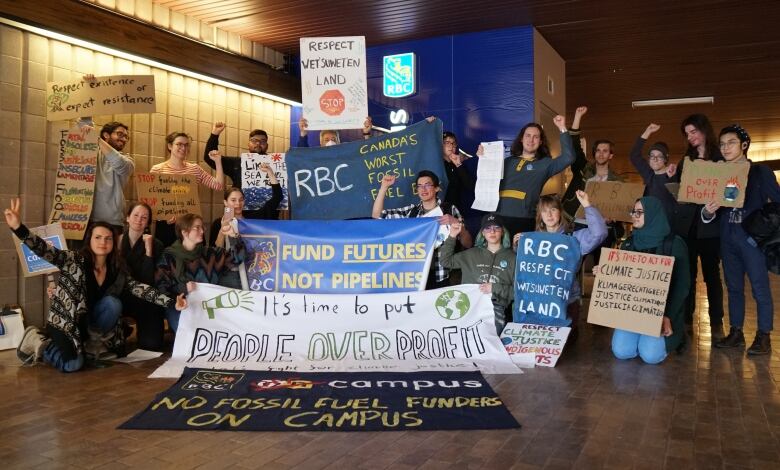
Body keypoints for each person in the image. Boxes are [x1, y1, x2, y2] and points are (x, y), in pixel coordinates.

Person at [7, 198, 187, 372]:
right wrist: (19, 228)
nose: (103, 242)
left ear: (113, 243)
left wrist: (172, 302)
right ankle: (39, 342)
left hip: (94, 323)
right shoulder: (74, 260)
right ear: (90, 240)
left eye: (108, 239)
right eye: (98, 237)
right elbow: (46, 251)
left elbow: (141, 289)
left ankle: (90, 346)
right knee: (73, 365)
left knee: (113, 303)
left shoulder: (117, 269)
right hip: (69, 322)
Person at [702, 124, 780, 355]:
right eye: (723, 144)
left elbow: (777, 202)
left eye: (731, 142)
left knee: (760, 288)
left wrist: (765, 229)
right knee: (733, 287)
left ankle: (764, 336)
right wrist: (708, 211)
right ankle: (736, 332)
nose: (726, 148)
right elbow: (707, 213)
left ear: (744, 145)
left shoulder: (759, 172)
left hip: (751, 240)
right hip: (727, 238)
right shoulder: (717, 174)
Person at [607, 197, 690, 364]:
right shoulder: (629, 244)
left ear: (653, 214)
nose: (635, 216)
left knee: (650, 356)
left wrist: (668, 316)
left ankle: (678, 337)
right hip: (634, 312)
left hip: (662, 314)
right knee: (621, 351)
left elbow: (682, 286)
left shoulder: (674, 244)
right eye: (634, 211)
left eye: (640, 212)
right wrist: (606, 273)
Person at [518, 190, 607, 339]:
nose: (549, 215)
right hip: (539, 302)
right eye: (544, 211)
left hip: (567, 301)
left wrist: (587, 205)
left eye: (553, 209)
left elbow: (599, 234)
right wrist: (518, 247)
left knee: (565, 343)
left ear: (560, 212)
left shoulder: (574, 239)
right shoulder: (532, 241)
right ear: (540, 215)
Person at [668, 114, 724, 331]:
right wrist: (673, 177)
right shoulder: (686, 160)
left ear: (704, 130)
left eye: (693, 131)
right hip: (687, 227)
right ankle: (686, 321)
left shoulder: (720, 159)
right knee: (687, 276)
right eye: (687, 133)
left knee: (712, 275)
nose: (690, 137)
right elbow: (680, 192)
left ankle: (717, 323)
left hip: (711, 227)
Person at [372, 170, 472, 289]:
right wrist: (384, 187)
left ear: (436, 188)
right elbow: (377, 216)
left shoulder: (449, 210)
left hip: (444, 274)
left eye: (427, 185)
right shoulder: (411, 212)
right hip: (417, 275)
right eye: (419, 186)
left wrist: (456, 223)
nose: (423, 189)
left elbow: (468, 243)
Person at [156, 213, 245, 333]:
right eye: (197, 227)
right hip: (180, 307)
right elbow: (161, 286)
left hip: (208, 307)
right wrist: (182, 290)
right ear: (184, 232)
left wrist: (233, 236)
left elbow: (237, 259)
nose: (202, 231)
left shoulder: (210, 254)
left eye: (202, 227)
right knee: (187, 333)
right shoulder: (168, 256)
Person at [492, 115, 574, 237]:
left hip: (524, 220)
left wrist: (562, 127)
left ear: (540, 142)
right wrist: (484, 157)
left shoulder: (546, 164)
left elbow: (569, 157)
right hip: (497, 217)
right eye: (528, 136)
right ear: (521, 139)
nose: (531, 140)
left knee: (520, 256)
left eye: (536, 137)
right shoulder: (507, 161)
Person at [77, 75, 135, 234]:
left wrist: (95, 138)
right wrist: (89, 88)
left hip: (113, 221)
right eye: (120, 134)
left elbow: (119, 164)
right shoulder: (91, 152)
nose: (124, 139)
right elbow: (85, 123)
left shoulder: (128, 160)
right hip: (84, 219)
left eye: (126, 137)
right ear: (106, 135)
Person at [440, 213, 515, 334]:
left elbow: (518, 292)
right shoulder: (471, 254)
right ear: (483, 233)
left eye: (496, 228)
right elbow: (445, 261)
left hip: (495, 308)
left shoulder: (513, 258)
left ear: (502, 232)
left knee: (489, 342)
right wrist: (453, 235)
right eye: (488, 228)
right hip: (468, 305)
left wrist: (494, 288)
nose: (492, 231)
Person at [150, 132, 225, 247]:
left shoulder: (194, 169)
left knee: (194, 261)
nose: (183, 148)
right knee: (168, 260)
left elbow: (218, 185)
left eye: (186, 145)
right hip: (167, 224)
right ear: (170, 146)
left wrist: (218, 162)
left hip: (191, 223)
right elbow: (152, 200)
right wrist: (163, 217)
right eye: (179, 144)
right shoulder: (157, 169)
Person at [118, 202, 166, 351]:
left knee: (152, 345)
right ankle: (121, 330)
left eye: (144, 217)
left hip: (147, 298)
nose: (139, 220)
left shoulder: (157, 244)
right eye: (136, 215)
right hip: (122, 295)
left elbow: (149, 280)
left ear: (148, 222)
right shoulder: (116, 241)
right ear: (127, 218)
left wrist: (148, 251)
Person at [209, 166, 282, 248]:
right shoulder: (218, 223)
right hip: (229, 260)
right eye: (233, 200)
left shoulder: (253, 218)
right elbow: (215, 250)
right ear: (225, 202)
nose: (238, 203)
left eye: (241, 200)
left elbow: (277, 197)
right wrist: (223, 229)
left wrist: (270, 173)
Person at [629, 123, 675, 221]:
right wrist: (647, 132)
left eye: (659, 156)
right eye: (652, 156)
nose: (655, 159)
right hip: (649, 223)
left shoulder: (672, 176)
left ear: (665, 159)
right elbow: (634, 155)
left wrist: (673, 177)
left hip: (668, 225)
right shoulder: (648, 174)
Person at [204, 121, 269, 188]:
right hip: (240, 198)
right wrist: (215, 134)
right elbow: (210, 157)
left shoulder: (276, 163)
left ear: (267, 145)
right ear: (248, 144)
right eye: (254, 140)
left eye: (263, 141)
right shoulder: (237, 163)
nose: (258, 143)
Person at [441, 131, 480, 236]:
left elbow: (471, 186)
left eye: (453, 143)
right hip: (438, 213)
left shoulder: (459, 164)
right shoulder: (435, 165)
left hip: (457, 213)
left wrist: (458, 164)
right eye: (447, 142)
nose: (451, 145)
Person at [560, 106, 590, 220]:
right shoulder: (583, 168)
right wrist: (577, 116)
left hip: (591, 224)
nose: (601, 154)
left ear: (611, 155)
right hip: (569, 218)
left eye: (605, 151)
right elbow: (575, 145)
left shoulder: (613, 180)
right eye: (598, 150)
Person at [297, 116, 373, 147]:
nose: (330, 142)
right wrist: (303, 133)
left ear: (338, 141)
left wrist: (366, 134)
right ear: (321, 142)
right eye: (326, 140)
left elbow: (366, 155)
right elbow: (301, 154)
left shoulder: (346, 156)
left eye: (333, 139)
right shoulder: (315, 158)